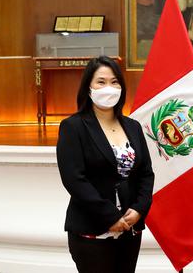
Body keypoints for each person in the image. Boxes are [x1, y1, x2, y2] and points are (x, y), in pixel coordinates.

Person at [56, 56, 154, 273]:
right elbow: (74, 179)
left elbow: (146, 174)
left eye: (114, 82)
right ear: (88, 87)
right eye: (101, 82)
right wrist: (111, 216)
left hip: (130, 229)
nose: (108, 87)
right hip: (92, 230)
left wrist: (139, 209)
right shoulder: (73, 127)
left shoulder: (133, 126)